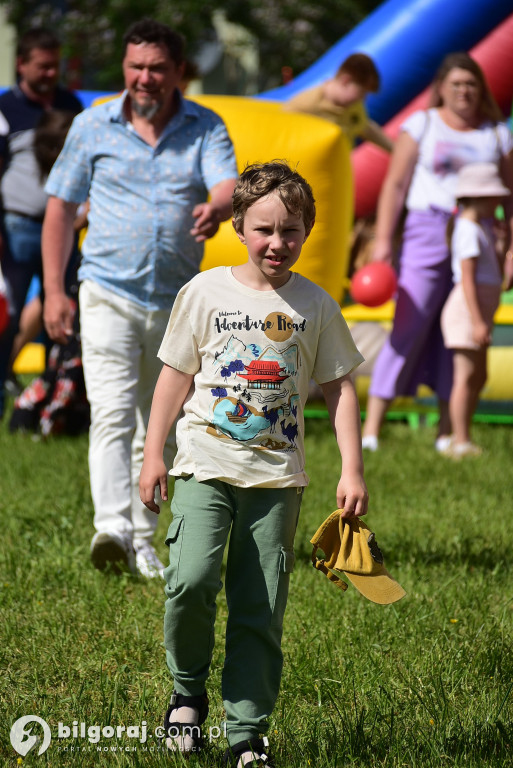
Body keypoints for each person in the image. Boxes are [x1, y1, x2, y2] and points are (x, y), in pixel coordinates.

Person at [139, 161, 368, 764]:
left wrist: (352, 468)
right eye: (264, 229)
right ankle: (186, 697)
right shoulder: (205, 292)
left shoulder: (315, 305)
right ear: (238, 225)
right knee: (189, 580)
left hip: (276, 480)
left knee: (260, 605)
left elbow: (340, 388)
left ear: (308, 231)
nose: (277, 242)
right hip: (202, 465)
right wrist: (152, 454)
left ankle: (247, 733)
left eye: (290, 230)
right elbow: (174, 376)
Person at [42, 18, 238, 579]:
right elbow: (60, 207)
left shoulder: (205, 125)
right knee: (111, 412)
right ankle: (112, 529)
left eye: (156, 69)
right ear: (124, 69)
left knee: (162, 421)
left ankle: (143, 539)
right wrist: (55, 290)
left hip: (177, 302)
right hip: (106, 288)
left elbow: (225, 182)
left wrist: (218, 206)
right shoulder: (92, 125)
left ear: (178, 72)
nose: (144, 79)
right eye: (135, 67)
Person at [361, 52, 513, 452]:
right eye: (457, 83)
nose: (464, 91)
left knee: (460, 329)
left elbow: (510, 196)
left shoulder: (496, 133)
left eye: (472, 84)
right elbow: (394, 185)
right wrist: (382, 241)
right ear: (441, 89)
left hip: (477, 231)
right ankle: (372, 428)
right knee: (409, 323)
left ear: (481, 90)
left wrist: (509, 247)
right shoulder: (422, 124)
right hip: (426, 228)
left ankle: (449, 431)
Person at [0, 27, 83, 417]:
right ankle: (4, 384)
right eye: (43, 66)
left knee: (63, 310)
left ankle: (52, 394)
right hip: (18, 227)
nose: (51, 73)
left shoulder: (70, 103)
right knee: (12, 312)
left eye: (56, 66)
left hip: (66, 228)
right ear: (22, 64)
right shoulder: (7, 108)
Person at [440, 163, 509, 458]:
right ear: (477, 197)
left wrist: (503, 243)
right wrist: (478, 322)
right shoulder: (467, 229)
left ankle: (461, 433)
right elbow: (467, 279)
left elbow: (500, 280)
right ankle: (460, 439)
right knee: (466, 377)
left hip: (479, 312)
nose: (498, 203)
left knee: (479, 376)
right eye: (493, 197)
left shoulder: (481, 228)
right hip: (468, 313)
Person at [283, 53, 393, 153]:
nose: (363, 99)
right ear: (346, 80)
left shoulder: (353, 105)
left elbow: (364, 127)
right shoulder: (304, 106)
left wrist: (396, 150)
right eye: (362, 92)